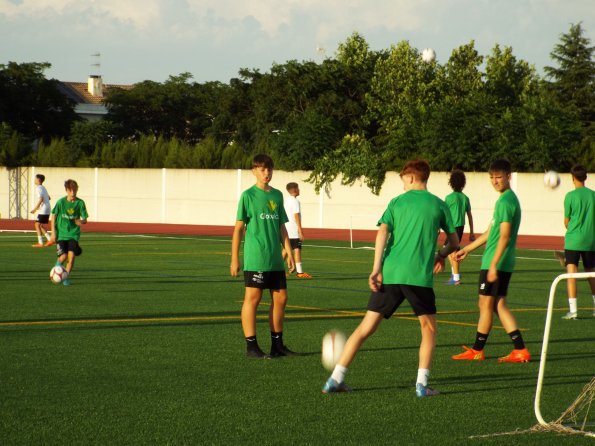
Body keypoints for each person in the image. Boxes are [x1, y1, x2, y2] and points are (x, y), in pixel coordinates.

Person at [322, 160, 459, 397]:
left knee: (366, 327)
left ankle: (335, 379)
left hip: (391, 272)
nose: (402, 185)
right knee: (428, 330)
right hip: (418, 276)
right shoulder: (439, 205)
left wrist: (376, 268)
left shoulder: (396, 202)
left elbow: (382, 231)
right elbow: (454, 242)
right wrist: (440, 255)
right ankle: (421, 385)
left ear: (412, 178)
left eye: (403, 180)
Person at [452, 159, 531, 363]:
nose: (495, 181)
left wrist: (494, 264)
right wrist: (467, 249)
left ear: (508, 176)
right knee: (496, 305)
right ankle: (519, 349)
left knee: (487, 304)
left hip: (496, 262)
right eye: (492, 177)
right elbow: (491, 231)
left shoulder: (506, 202)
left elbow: (504, 236)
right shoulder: (506, 199)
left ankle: (479, 350)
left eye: (499, 177)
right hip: (499, 261)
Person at [230, 154, 298, 359]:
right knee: (253, 298)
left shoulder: (277, 196)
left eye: (269, 169)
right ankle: (252, 346)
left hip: (275, 258)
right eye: (261, 169)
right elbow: (238, 228)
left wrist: (289, 252)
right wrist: (234, 258)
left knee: (281, 298)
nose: (266, 172)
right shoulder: (248, 196)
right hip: (256, 257)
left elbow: (281, 227)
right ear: (254, 171)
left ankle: (277, 346)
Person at [558, 165, 595, 319]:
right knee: (592, 274)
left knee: (571, 273)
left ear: (573, 178)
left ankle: (573, 311)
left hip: (573, 240)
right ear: (585, 177)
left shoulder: (570, 196)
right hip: (590, 240)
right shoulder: (593, 195)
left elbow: (566, 222)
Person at [49, 179, 88, 286]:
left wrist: (82, 221)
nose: (73, 193)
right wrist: (53, 232)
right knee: (63, 257)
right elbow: (53, 215)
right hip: (61, 234)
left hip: (73, 234)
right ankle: (56, 271)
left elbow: (85, 219)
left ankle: (65, 277)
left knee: (71, 257)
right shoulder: (61, 202)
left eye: (75, 190)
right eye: (71, 190)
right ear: (66, 190)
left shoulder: (80, 203)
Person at [444, 170, 475, 284]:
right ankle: (454, 275)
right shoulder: (465, 198)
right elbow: (470, 216)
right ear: (463, 183)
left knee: (452, 252)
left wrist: (438, 227)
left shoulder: (448, 198)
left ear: (451, 183)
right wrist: (471, 232)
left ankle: (456, 278)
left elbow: (443, 214)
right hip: (460, 228)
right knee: (449, 251)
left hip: (452, 228)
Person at [283, 182, 311, 278]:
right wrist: (300, 230)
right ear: (295, 190)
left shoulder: (287, 200)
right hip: (293, 230)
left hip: (287, 228)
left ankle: (275, 269)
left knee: (285, 250)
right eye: (298, 188)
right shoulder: (295, 201)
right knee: (297, 249)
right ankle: (300, 272)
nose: (299, 190)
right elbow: (296, 216)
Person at [30, 174, 54, 248]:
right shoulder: (43, 187)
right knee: (40, 225)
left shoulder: (38, 188)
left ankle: (40, 243)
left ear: (38, 180)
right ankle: (50, 240)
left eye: (35, 179)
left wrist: (35, 208)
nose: (34, 180)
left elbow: (41, 199)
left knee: (37, 224)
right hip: (47, 207)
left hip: (44, 208)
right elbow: (49, 197)